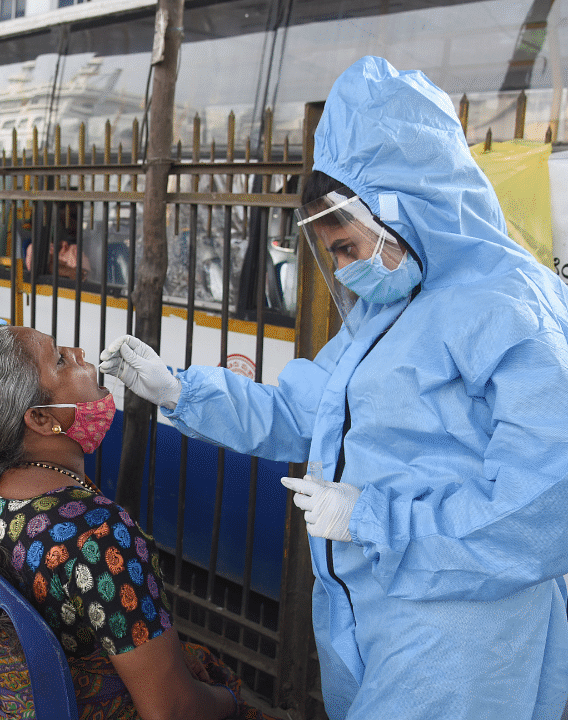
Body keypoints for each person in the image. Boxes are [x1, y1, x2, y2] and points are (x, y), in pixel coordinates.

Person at [100, 56, 568, 720]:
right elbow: (306, 412)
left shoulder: (510, 310)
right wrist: (178, 390)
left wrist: (373, 517)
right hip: (378, 612)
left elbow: (543, 504)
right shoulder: (387, 311)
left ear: (405, 208)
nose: (344, 270)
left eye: (346, 246)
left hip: (464, 635)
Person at [0, 325, 280, 720]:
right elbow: (173, 711)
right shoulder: (97, 534)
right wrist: (232, 700)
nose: (80, 352)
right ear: (40, 418)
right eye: (61, 360)